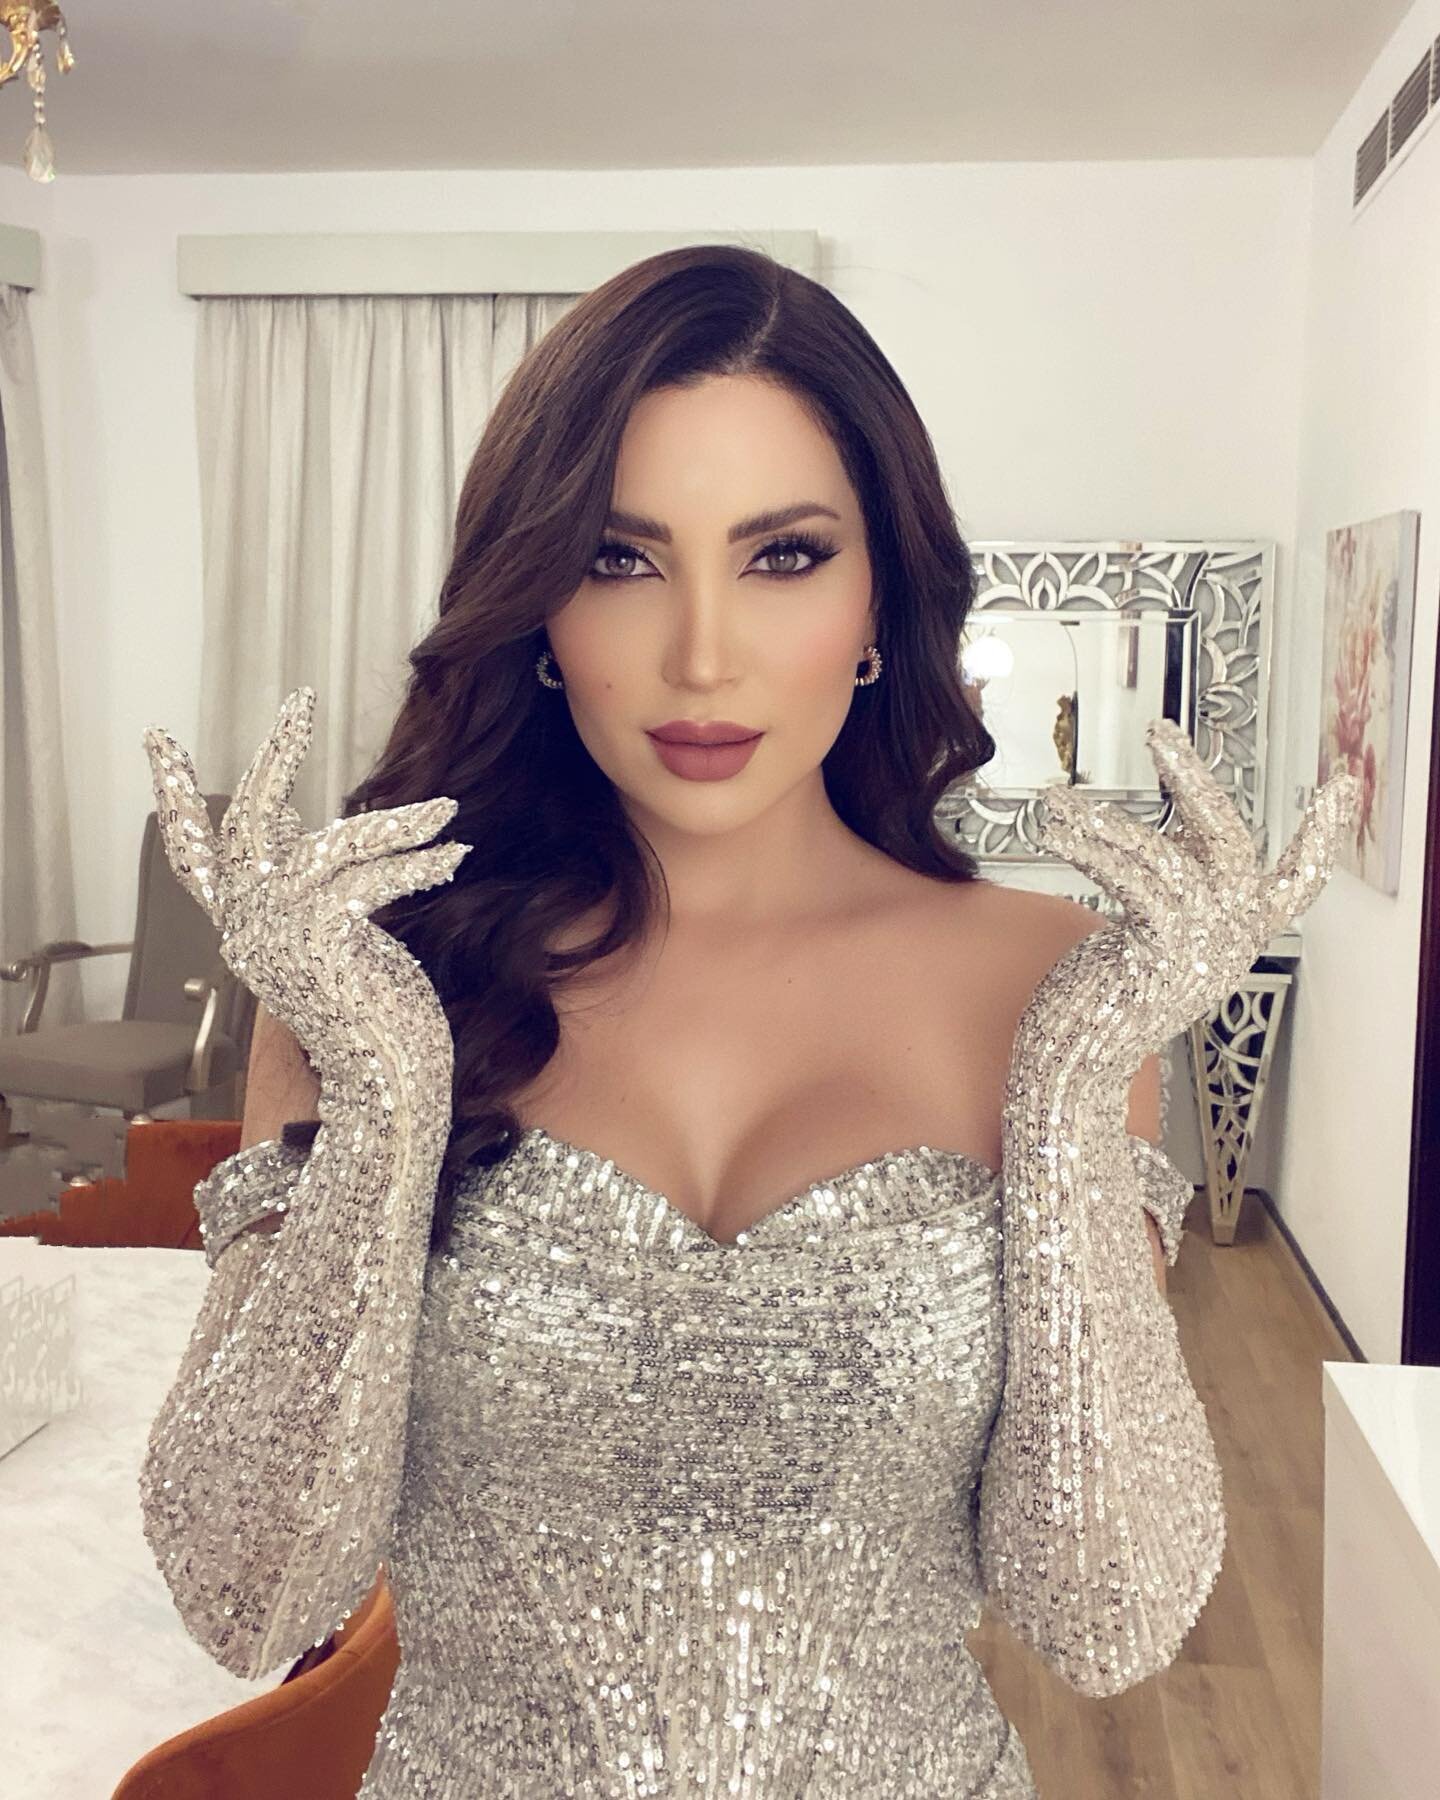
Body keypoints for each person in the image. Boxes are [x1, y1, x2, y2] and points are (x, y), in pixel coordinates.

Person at [136, 245, 1356, 1798]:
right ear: (536, 607)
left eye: (782, 555)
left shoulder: (1054, 992)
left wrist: (1058, 1104)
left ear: (880, 598)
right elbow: (246, 1597)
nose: (701, 653)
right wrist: (384, 1111)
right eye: (619, 558)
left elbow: (1105, 1618)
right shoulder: (371, 985)